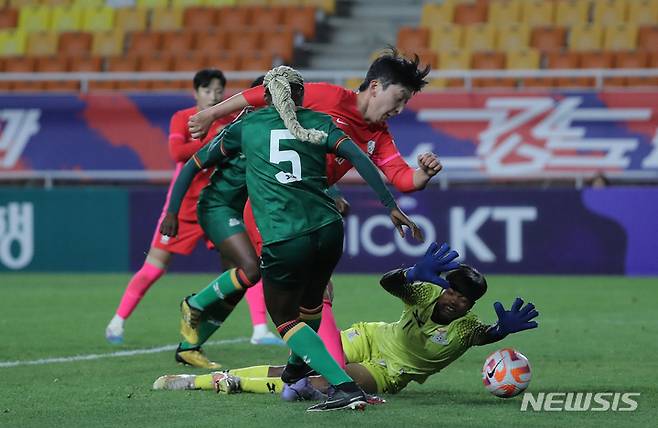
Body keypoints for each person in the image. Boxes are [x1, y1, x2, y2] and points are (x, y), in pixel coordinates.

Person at [162, 65, 422, 411]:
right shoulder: (320, 119)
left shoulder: (251, 125)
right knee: (311, 301)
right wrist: (389, 205)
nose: (399, 108)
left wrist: (172, 210)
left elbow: (194, 162)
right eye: (400, 99)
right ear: (302, 97)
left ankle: (342, 386)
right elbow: (357, 157)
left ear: (267, 97)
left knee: (284, 315)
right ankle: (297, 372)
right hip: (328, 228)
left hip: (285, 231)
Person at [152, 242, 539, 400]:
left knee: (318, 384)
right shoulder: (426, 292)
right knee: (303, 363)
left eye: (465, 299)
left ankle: (230, 383)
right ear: (445, 286)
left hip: (390, 371)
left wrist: (501, 331)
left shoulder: (467, 328)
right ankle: (205, 380)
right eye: (453, 290)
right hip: (372, 337)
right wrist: (411, 272)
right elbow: (388, 283)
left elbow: (484, 336)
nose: (456, 299)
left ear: (471, 306)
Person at [104, 69, 254, 346]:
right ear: (196, 92)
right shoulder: (184, 118)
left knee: (244, 264)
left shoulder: (231, 120)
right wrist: (215, 139)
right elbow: (177, 154)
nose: (214, 95)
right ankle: (117, 321)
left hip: (218, 203)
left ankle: (259, 330)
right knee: (155, 267)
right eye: (208, 90)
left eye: (219, 90)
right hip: (183, 206)